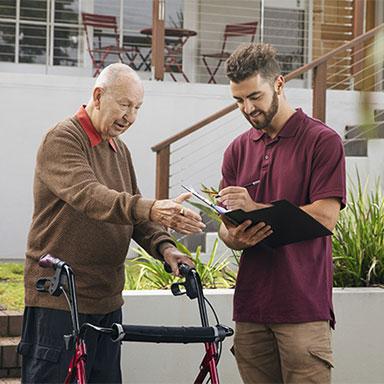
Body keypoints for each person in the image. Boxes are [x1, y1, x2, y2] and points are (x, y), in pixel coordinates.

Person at [18, 63, 205, 383]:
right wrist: (151, 209)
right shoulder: (63, 138)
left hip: (106, 300)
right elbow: (89, 196)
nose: (130, 116)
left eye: (137, 108)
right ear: (98, 96)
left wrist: (167, 248)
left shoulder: (120, 150)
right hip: (60, 298)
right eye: (124, 104)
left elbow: (133, 217)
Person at [217, 43, 346, 384]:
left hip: (302, 310)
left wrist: (256, 208)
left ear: (279, 83)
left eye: (254, 97)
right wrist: (235, 236)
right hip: (250, 310)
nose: (247, 108)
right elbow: (224, 230)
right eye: (238, 101)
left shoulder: (322, 141)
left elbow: (325, 217)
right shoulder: (236, 150)